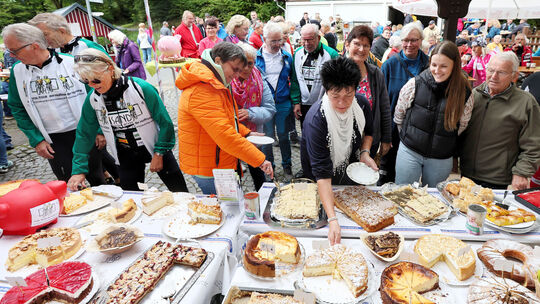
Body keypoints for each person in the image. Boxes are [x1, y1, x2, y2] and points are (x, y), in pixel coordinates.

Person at [67, 49, 188, 192]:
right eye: (86, 81)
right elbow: (84, 134)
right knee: (132, 199)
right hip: (125, 154)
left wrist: (160, 152)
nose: (92, 85)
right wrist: (78, 170)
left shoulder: (141, 88)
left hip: (155, 145)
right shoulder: (93, 99)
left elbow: (165, 123)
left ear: (110, 69)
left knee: (180, 193)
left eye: (96, 79)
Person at [3, 23, 105, 185]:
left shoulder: (72, 63)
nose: (12, 55)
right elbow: (17, 107)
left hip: (83, 133)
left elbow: (97, 96)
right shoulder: (17, 71)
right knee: (66, 184)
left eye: (14, 51)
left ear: (34, 46)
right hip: (52, 140)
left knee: (97, 178)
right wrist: (35, 139)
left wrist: (99, 130)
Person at [176, 42, 273, 194]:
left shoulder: (214, 83)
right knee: (226, 210)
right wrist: (259, 159)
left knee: (231, 204)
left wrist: (246, 133)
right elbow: (224, 135)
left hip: (219, 162)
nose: (236, 75)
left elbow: (228, 119)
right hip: (210, 168)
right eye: (235, 69)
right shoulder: (203, 89)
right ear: (218, 61)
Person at [301, 57, 376, 245]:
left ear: (355, 89)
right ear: (326, 91)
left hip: (350, 173)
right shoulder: (316, 120)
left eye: (348, 95)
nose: (342, 103)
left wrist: (364, 153)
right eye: (336, 96)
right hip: (321, 180)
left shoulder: (361, 104)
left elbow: (369, 132)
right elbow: (322, 174)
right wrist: (332, 219)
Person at [394, 41, 473, 187]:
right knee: (402, 193)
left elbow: (462, 125)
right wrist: (409, 136)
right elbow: (399, 116)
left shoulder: (464, 92)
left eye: (444, 66)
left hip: (441, 157)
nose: (437, 70)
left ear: (454, 66)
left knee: (435, 200)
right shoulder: (414, 84)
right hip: (410, 151)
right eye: (434, 65)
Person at [459, 52, 540, 190]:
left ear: (514, 76)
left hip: (498, 179)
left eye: (501, 72)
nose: (494, 76)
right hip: (466, 174)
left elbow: (533, 143)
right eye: (491, 70)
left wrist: (522, 172)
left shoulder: (526, 102)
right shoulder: (474, 94)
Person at [380, 21, 429, 184]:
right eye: (406, 40)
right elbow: (382, 102)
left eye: (414, 40)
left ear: (421, 41)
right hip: (394, 130)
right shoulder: (389, 66)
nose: (409, 44)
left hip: (420, 131)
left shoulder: (429, 65)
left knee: (411, 177)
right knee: (388, 175)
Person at [232, 43, 276, 190]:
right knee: (232, 174)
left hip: (253, 135)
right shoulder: (226, 80)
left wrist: (250, 113)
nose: (245, 68)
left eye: (249, 64)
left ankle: (263, 201)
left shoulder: (259, 79)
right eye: (242, 63)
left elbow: (270, 108)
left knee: (257, 171)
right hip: (230, 135)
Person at [345, 25, 392, 159]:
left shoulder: (376, 73)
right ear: (347, 45)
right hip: (342, 139)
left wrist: (386, 138)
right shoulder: (337, 70)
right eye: (357, 44)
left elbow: (384, 107)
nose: (361, 49)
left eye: (366, 45)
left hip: (370, 139)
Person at [256, 22, 294, 178]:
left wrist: (294, 100)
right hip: (264, 104)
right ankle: (268, 166)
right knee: (267, 137)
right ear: (264, 38)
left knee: (284, 135)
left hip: (283, 102)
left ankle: (287, 166)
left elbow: (293, 79)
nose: (278, 44)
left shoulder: (286, 56)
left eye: (280, 40)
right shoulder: (256, 56)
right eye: (273, 41)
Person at [291, 24, 339, 128]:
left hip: (324, 104)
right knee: (306, 132)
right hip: (304, 104)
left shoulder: (332, 54)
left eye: (310, 39)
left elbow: (337, 83)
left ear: (318, 38)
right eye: (304, 40)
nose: (307, 43)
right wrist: (296, 102)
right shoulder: (297, 54)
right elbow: (295, 80)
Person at [28, 13, 107, 56]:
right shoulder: (50, 52)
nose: (43, 39)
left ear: (62, 31)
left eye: (45, 34)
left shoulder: (89, 46)